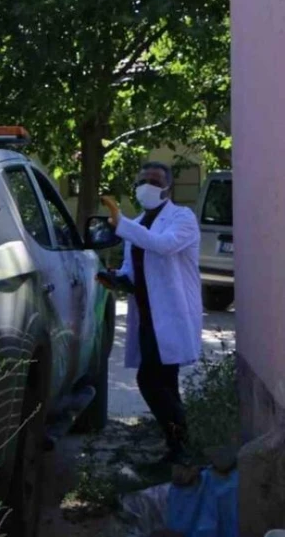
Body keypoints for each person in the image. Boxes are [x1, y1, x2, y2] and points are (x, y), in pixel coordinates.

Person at [96, 162, 202, 464]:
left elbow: (164, 246)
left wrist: (122, 223)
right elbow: (133, 268)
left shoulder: (183, 218)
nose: (147, 186)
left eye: (155, 181)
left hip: (171, 314)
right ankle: (178, 447)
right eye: (142, 180)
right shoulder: (140, 222)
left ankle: (182, 438)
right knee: (166, 381)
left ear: (168, 187)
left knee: (149, 379)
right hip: (147, 314)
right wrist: (116, 277)